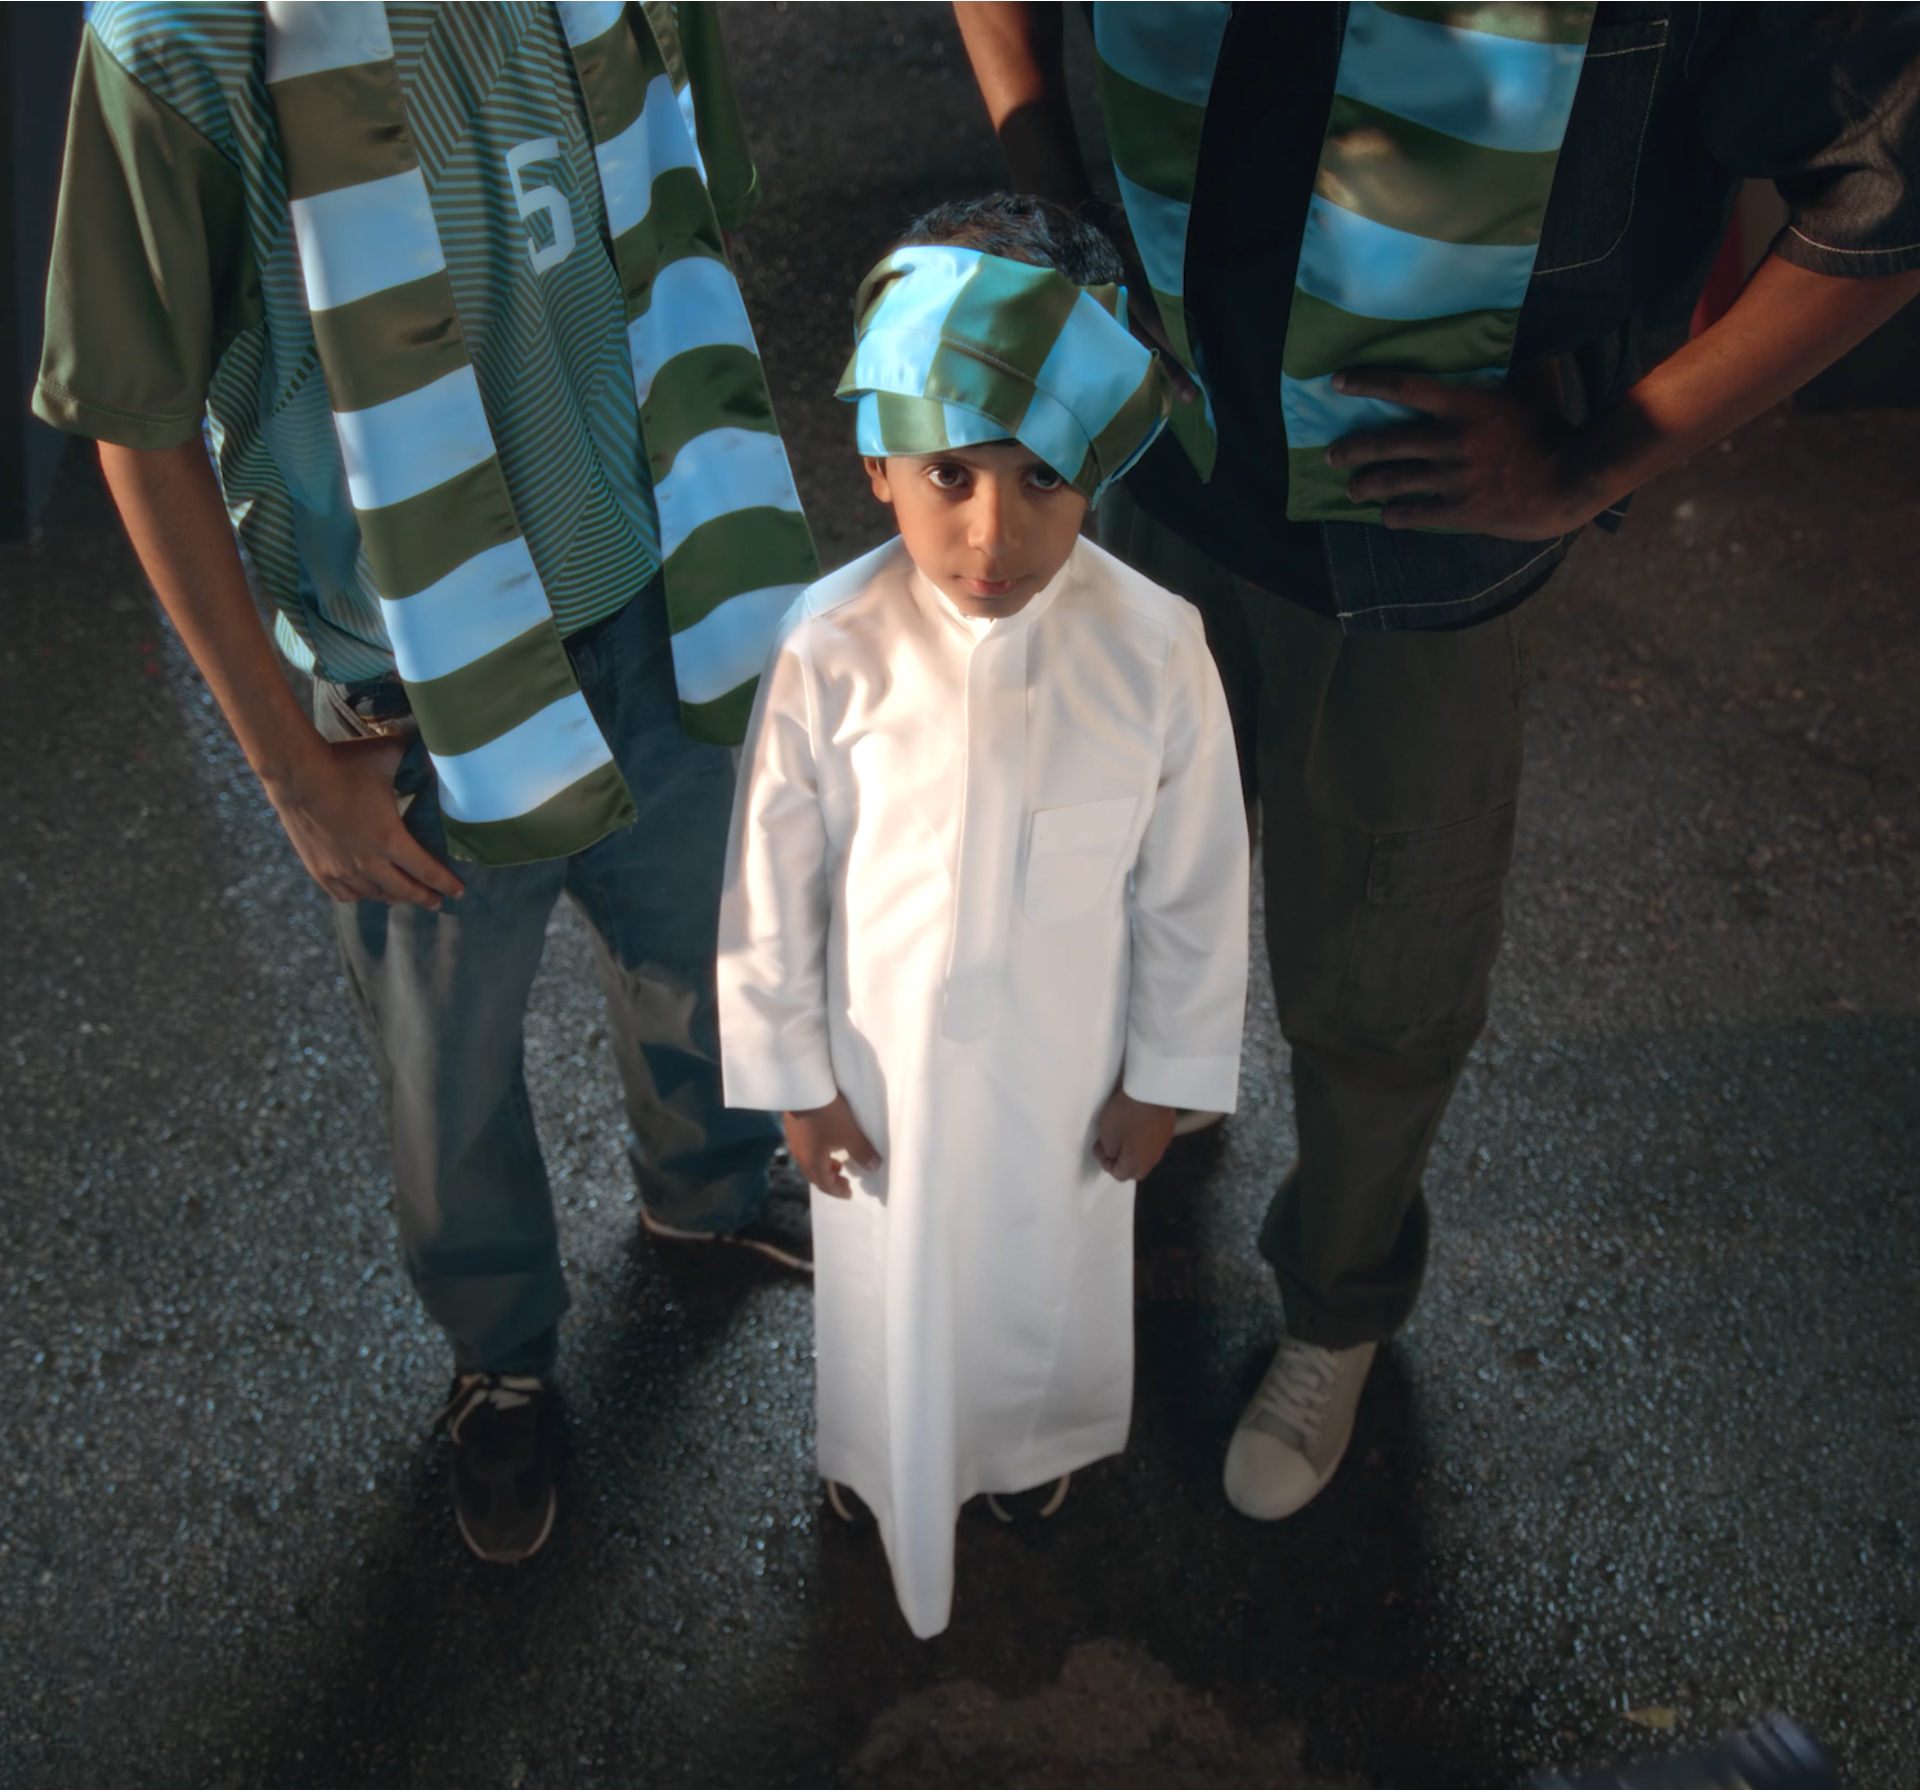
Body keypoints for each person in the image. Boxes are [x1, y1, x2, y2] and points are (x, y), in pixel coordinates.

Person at [953, 1, 1920, 1522]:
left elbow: (1890, 173)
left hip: (1415, 551)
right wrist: (1053, 195)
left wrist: (1602, 457)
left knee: (1381, 977)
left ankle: (1337, 1305)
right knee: (1107, 884)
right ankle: (1145, 1122)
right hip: (1156, 461)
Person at [35, 0, 821, 1565]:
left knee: (699, 948)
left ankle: (708, 1187)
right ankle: (501, 1353)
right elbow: (136, 423)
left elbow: (683, 220)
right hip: (408, 687)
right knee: (448, 1072)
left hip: (647, 596)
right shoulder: (177, 41)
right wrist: (290, 769)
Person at [716, 195, 1250, 1637]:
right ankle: (879, 1462)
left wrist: (1163, 1079)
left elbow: (1195, 891)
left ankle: (1029, 1452)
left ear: (1098, 475)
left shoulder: (1156, 651)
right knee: (886, 1290)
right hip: (880, 1076)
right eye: (950, 473)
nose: (992, 532)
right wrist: (796, 1084)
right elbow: (772, 889)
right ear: (878, 464)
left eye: (1042, 478)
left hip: (1067, 1078)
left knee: (1046, 1277)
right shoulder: (829, 649)